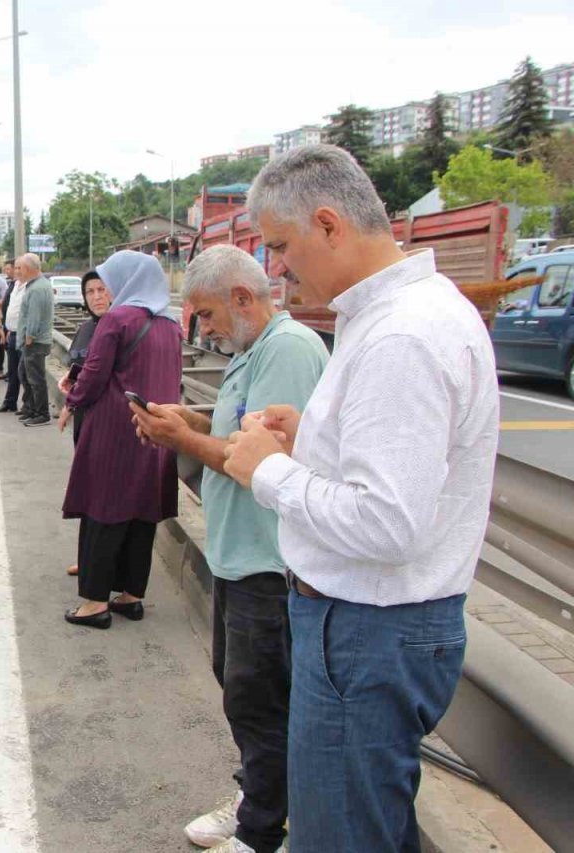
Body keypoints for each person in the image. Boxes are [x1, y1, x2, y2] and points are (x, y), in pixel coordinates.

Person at [222, 144, 499, 852]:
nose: (278, 266)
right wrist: (310, 436)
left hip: (365, 629)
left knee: (340, 840)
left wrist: (270, 472)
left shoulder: (401, 334)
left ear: (328, 223)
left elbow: (386, 522)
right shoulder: (395, 314)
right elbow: (392, 473)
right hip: (371, 625)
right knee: (367, 829)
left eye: (281, 246)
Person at [132, 245, 328, 853]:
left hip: (271, 561)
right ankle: (260, 795)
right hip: (239, 553)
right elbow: (235, 425)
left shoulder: (289, 350)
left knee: (259, 698)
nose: (203, 329)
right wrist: (186, 415)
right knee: (242, 688)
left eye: (208, 315)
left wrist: (182, 436)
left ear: (243, 299)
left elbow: (259, 458)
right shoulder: (250, 352)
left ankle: (262, 830)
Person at [60, 251, 182, 628]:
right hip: (155, 432)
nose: (107, 290)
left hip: (114, 430)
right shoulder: (171, 324)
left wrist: (72, 398)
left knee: (103, 511)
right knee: (141, 513)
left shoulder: (117, 320)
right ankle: (131, 596)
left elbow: (94, 375)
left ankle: (95, 602)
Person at [57, 270, 112, 578]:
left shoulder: (119, 328)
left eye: (102, 290)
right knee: (87, 490)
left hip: (106, 423)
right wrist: (71, 394)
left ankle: (100, 563)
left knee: (103, 495)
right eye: (90, 291)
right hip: (84, 420)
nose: (96, 297)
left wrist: (73, 401)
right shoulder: (87, 328)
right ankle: (88, 556)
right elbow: (78, 369)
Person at [15, 253, 54, 426]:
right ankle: (30, 407)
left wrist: (29, 336)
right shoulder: (36, 285)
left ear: (29, 269)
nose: (18, 272)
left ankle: (42, 413)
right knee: (24, 373)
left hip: (35, 341)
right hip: (33, 340)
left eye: (20, 268)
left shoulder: (38, 288)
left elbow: (34, 316)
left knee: (36, 378)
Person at [0, 266, 30, 415]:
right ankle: (10, 402)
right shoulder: (14, 285)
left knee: (25, 373)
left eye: (20, 268)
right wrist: (6, 328)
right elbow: (8, 307)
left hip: (24, 335)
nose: (17, 271)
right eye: (16, 268)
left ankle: (28, 405)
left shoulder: (30, 286)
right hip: (12, 333)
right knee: (13, 372)